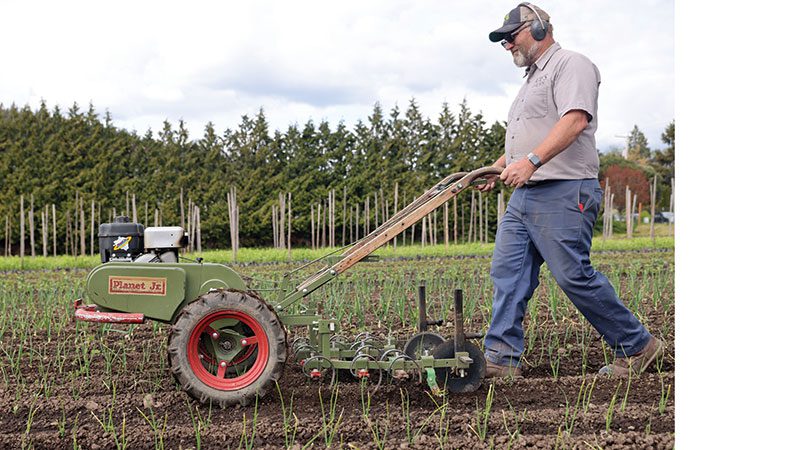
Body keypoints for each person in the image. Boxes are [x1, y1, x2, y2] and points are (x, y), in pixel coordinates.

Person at [480, 3, 664, 377]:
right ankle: (500, 358)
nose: (506, 46)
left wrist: (530, 161)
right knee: (508, 272)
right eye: (502, 41)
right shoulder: (531, 80)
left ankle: (638, 346)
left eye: (510, 37)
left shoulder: (571, 65)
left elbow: (575, 120)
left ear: (537, 28)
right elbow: (532, 134)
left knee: (572, 275)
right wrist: (498, 166)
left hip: (564, 188)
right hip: (526, 193)